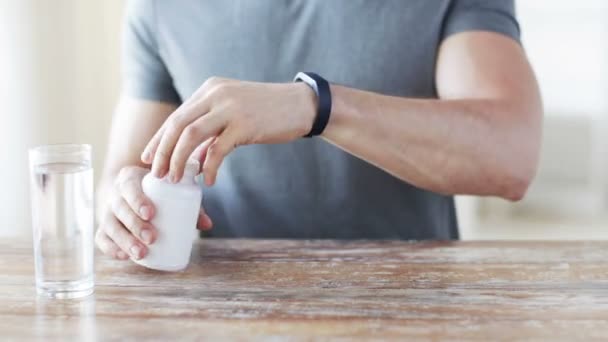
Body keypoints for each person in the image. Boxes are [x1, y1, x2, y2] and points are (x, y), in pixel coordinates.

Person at [96, 0, 542, 261]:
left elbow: (511, 157)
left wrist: (317, 106)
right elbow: (126, 170)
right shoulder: (160, 9)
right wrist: (124, 202)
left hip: (411, 309)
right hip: (229, 313)